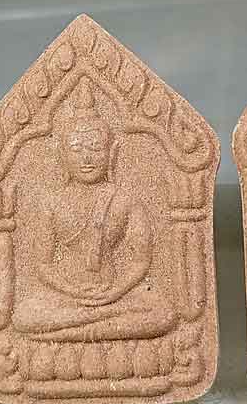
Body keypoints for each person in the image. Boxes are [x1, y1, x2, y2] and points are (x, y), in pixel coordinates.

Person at [12, 79, 176, 341]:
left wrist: (115, 292)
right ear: (61, 154)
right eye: (77, 149)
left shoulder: (125, 201)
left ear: (112, 153)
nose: (86, 158)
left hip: (115, 292)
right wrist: (72, 291)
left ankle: (74, 331)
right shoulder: (52, 203)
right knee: (24, 315)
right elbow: (43, 264)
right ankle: (101, 327)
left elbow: (140, 261)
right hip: (66, 294)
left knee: (163, 312)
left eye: (96, 148)